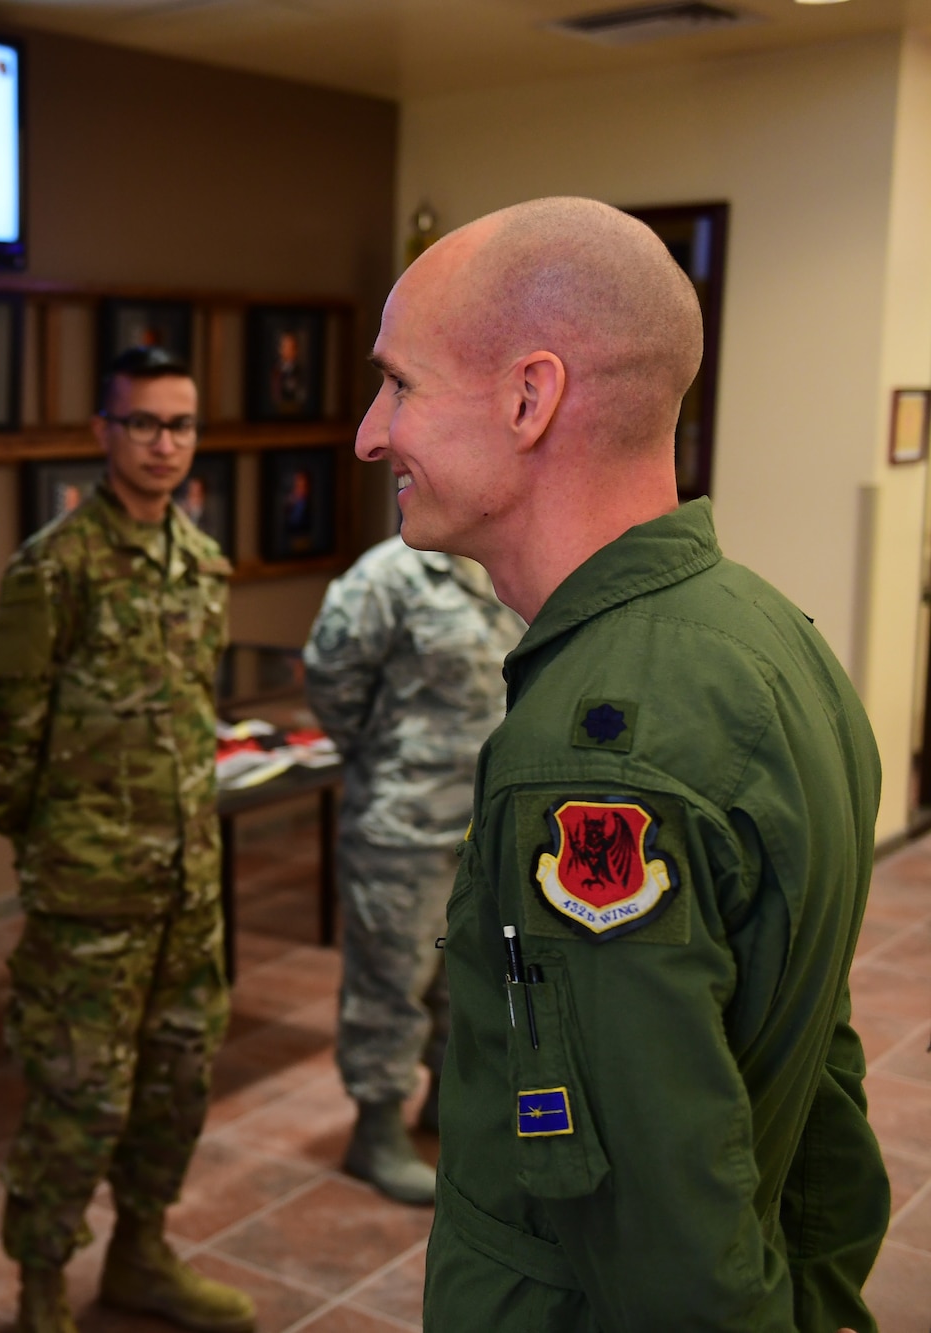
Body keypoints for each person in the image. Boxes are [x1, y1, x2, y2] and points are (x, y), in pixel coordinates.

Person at [357, 197, 888, 1329]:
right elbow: (818, 1099)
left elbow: (661, 1222)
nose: (369, 431)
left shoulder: (598, 757)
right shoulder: (763, 636)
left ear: (526, 397)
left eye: (399, 383)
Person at [0, 345, 253, 1333]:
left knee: (177, 1081)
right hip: (87, 893)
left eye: (179, 425)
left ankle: (141, 1252)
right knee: (76, 1096)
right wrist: (53, 843)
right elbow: (4, 726)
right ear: (102, 432)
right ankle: (40, 1283)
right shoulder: (55, 566)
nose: (162, 443)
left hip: (187, 885)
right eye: (142, 423)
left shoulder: (202, 563)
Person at [302, 536, 524, 1204]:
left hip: (484, 820)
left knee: (467, 974)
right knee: (391, 978)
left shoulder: (506, 563)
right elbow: (330, 678)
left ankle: (443, 1101)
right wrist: (386, 758)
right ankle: (375, 1129)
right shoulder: (386, 577)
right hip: (404, 823)